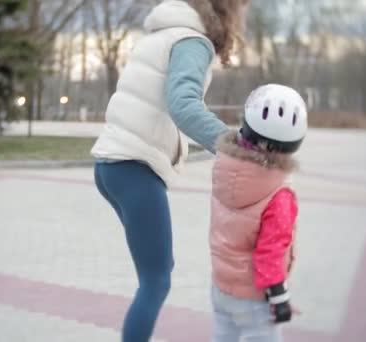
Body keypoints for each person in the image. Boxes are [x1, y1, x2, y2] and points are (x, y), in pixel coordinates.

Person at [91, 0, 249, 341]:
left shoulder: (159, 35)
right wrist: (235, 145)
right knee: (156, 280)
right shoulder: (192, 41)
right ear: (224, 14)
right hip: (133, 167)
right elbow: (184, 104)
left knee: (153, 275)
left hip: (110, 166)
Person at [210, 84, 308, 341]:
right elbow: (271, 250)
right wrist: (279, 297)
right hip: (254, 298)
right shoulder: (279, 193)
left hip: (221, 287)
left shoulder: (225, 167)